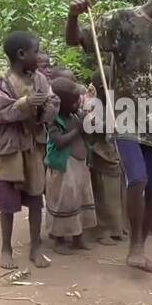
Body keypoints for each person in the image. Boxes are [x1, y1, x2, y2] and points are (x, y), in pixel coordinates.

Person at [66, 0, 152, 274]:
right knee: (137, 178)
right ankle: (134, 250)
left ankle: (140, 246)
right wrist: (73, 16)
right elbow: (75, 40)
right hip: (125, 115)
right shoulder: (120, 20)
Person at [0, 31, 59, 270]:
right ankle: (6, 248)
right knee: (7, 200)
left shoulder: (39, 79)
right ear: (21, 54)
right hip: (11, 149)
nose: (38, 57)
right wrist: (28, 103)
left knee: (36, 197)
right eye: (36, 51)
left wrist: (43, 109)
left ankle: (35, 247)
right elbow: (1, 111)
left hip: (33, 147)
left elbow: (52, 105)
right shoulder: (1, 80)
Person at [45, 77, 97, 254]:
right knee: (63, 202)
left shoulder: (76, 116)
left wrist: (88, 125)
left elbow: (88, 136)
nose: (78, 103)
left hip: (79, 167)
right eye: (74, 101)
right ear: (62, 103)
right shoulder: (54, 120)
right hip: (63, 169)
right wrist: (78, 130)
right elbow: (59, 142)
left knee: (80, 199)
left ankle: (77, 237)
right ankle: (59, 240)